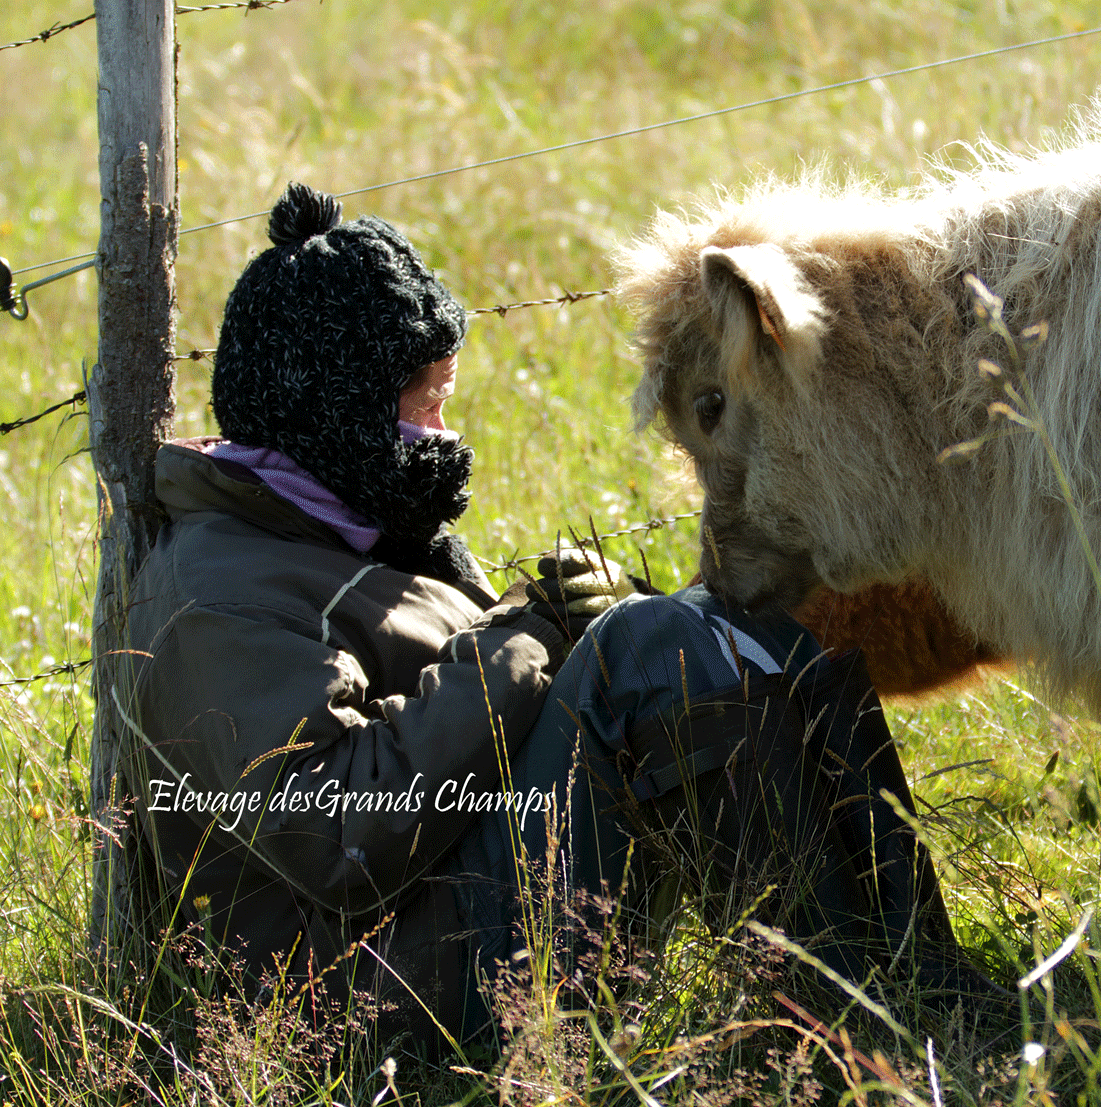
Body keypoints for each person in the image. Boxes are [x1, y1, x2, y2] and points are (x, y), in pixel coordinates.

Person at [117, 183, 991, 1054]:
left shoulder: (336, 521)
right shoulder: (217, 598)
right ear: (333, 410)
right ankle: (840, 1021)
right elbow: (343, 833)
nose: (441, 430)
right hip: (361, 1004)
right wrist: (533, 638)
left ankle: (912, 976)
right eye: (422, 404)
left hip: (443, 924)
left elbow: (456, 694)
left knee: (732, 621)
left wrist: (598, 618)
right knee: (651, 647)